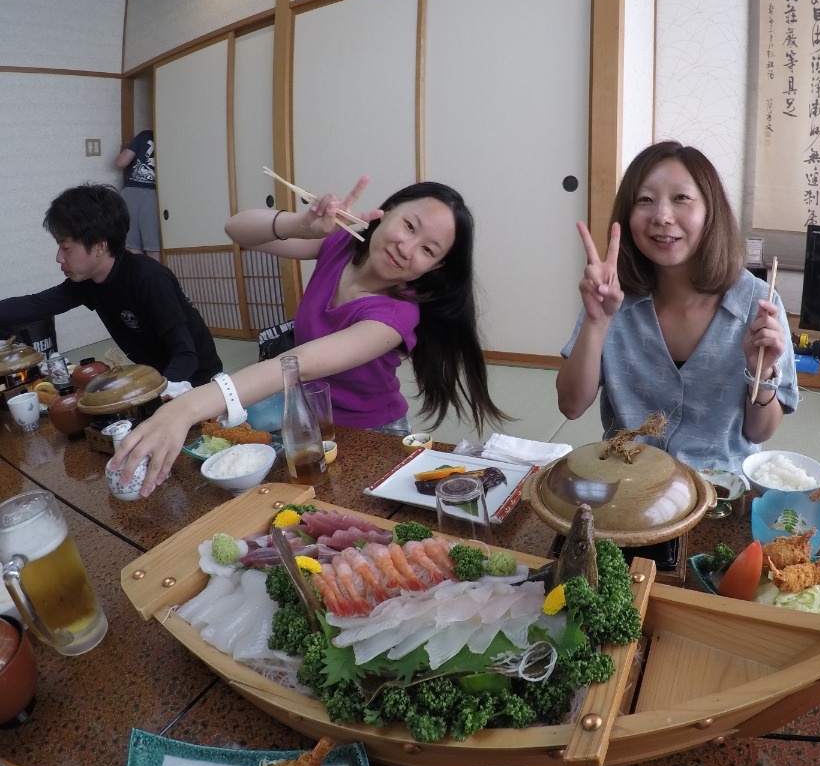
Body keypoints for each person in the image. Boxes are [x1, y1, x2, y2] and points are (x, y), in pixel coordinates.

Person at [110, 176, 508, 496]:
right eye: (408, 225)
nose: (407, 248)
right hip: (308, 422)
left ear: (434, 268)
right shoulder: (341, 243)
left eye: (428, 250)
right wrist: (299, 224)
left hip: (370, 435)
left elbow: (296, 364)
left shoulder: (396, 315)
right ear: (386, 213)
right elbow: (237, 229)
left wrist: (186, 407)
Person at [557, 141, 798, 472]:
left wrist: (763, 371)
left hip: (720, 489)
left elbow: (760, 432)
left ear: (710, 211)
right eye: (645, 200)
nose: (662, 216)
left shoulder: (757, 303)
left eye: (681, 198)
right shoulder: (611, 296)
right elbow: (570, 406)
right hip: (629, 482)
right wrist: (596, 323)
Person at [0, 183, 222, 395]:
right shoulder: (87, 281)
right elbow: (37, 304)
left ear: (99, 246)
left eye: (66, 248)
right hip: (154, 375)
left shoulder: (149, 279)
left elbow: (186, 356)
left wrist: (156, 397)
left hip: (197, 381)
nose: (59, 257)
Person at [114, 129, 161, 262]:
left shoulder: (144, 135)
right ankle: (154, 274)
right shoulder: (174, 139)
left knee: (132, 245)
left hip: (131, 193)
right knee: (153, 246)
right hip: (155, 194)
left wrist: (125, 149)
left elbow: (120, 163)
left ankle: (137, 274)